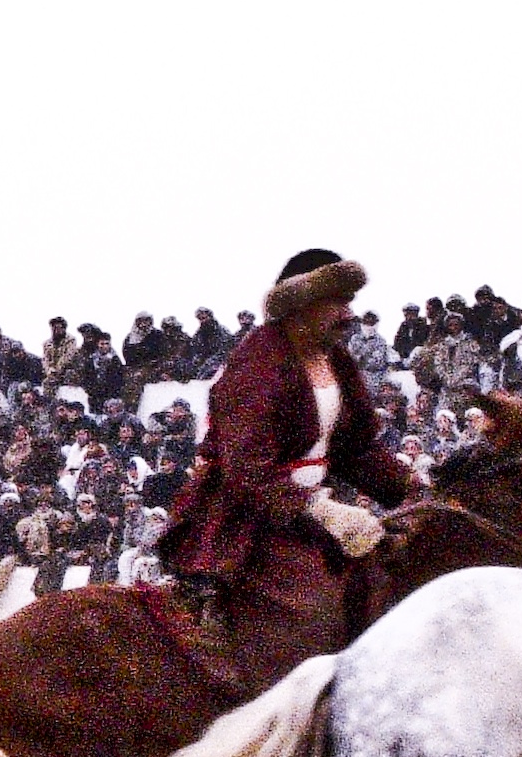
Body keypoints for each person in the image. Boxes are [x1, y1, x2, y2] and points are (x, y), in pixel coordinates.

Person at [158, 248, 414, 692]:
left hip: (314, 509)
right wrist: (318, 511)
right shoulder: (255, 366)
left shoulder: (337, 362)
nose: (348, 314)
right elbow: (245, 469)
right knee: (311, 612)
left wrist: (409, 488)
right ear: (301, 306)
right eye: (337, 302)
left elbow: (357, 448)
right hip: (247, 515)